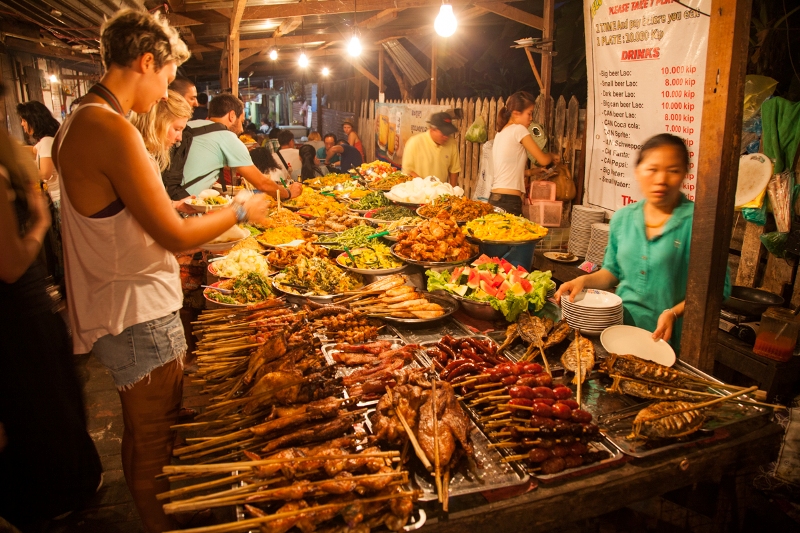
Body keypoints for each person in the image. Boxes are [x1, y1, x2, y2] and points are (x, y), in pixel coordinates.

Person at [51, 10, 271, 532]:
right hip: (134, 307)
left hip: (119, 299)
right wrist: (240, 210)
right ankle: (159, 526)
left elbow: (131, 215)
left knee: (144, 431)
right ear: (147, 62)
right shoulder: (108, 127)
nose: (167, 92)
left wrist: (183, 210)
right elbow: (171, 239)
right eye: (168, 78)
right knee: (153, 434)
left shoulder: (82, 118)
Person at [0, 125, 102, 530]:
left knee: (49, 398)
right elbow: (9, 265)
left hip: (24, 309)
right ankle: (49, 501)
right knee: (40, 403)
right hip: (16, 314)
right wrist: (40, 220)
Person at [554, 134, 731, 349]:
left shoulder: (699, 223)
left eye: (673, 171)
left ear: (685, 174)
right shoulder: (624, 218)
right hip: (620, 332)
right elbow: (612, 272)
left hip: (670, 341)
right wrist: (583, 281)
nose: (661, 179)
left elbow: (718, 289)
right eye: (653, 169)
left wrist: (674, 313)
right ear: (638, 171)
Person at [166, 94, 301, 200]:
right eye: (241, 122)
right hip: (185, 205)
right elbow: (262, 183)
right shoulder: (227, 137)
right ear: (232, 116)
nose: (242, 129)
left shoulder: (192, 125)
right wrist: (289, 192)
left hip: (167, 197)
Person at [490, 91, 554, 216]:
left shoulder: (500, 133)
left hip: (495, 198)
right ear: (516, 113)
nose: (531, 118)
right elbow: (544, 160)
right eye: (529, 114)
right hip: (509, 201)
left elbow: (506, 170)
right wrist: (552, 156)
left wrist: (531, 172)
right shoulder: (519, 130)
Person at [401, 112, 461, 186]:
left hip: (440, 194)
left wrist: (452, 190)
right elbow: (408, 171)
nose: (446, 137)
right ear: (432, 129)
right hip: (417, 192)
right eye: (443, 133)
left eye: (448, 133)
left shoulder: (452, 143)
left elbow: (454, 170)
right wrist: (427, 187)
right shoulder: (414, 142)